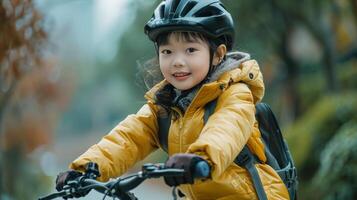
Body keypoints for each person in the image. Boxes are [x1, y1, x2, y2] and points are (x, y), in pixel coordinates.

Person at [56, 0, 290, 199]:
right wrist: (86, 168)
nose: (177, 61)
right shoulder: (165, 106)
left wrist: (200, 158)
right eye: (167, 52)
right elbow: (128, 138)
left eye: (190, 50)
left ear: (217, 54)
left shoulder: (235, 93)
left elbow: (227, 129)